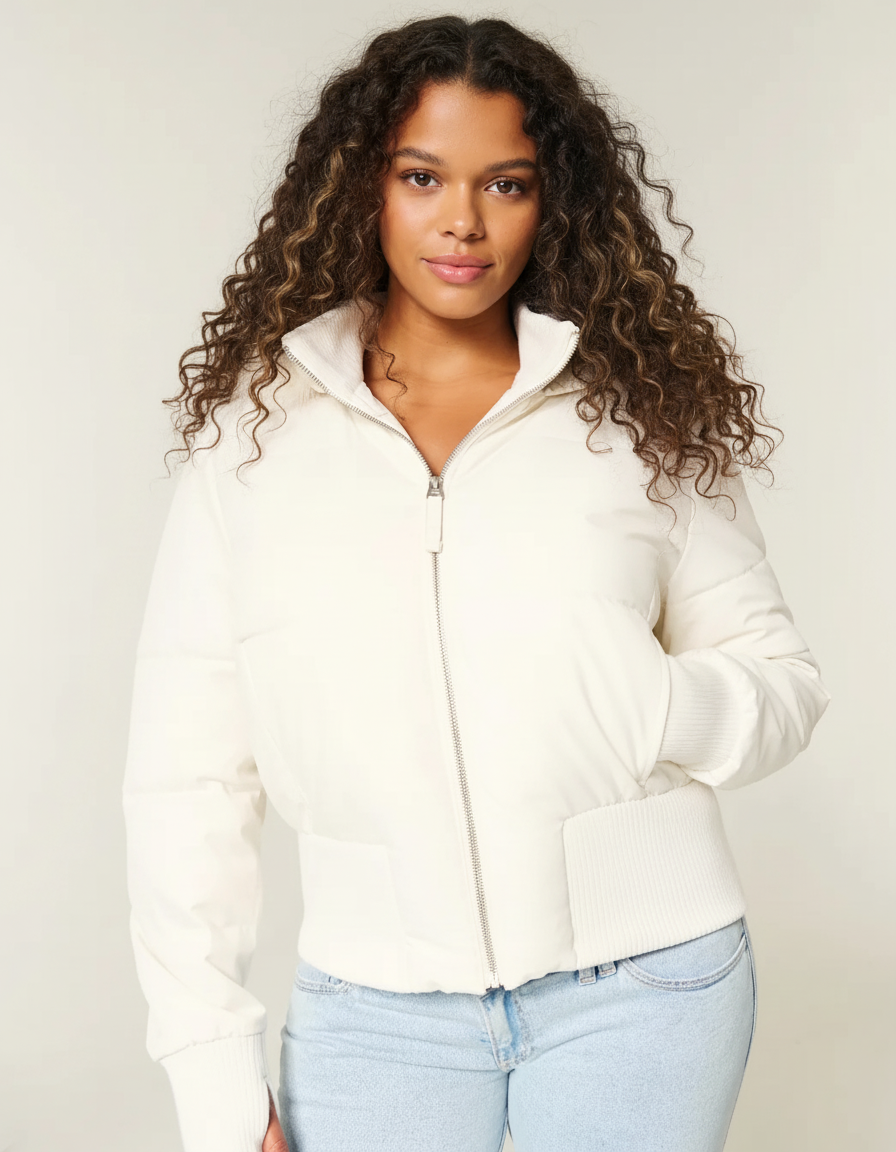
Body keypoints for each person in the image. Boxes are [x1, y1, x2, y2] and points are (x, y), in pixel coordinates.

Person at [122, 14, 831, 1152]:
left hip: (645, 991)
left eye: (506, 183)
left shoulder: (634, 416)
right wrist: (209, 1066)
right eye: (421, 177)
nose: (463, 220)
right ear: (362, 189)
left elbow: (784, 685)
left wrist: (650, 701)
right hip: (372, 1014)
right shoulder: (254, 441)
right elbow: (188, 778)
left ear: (552, 204)